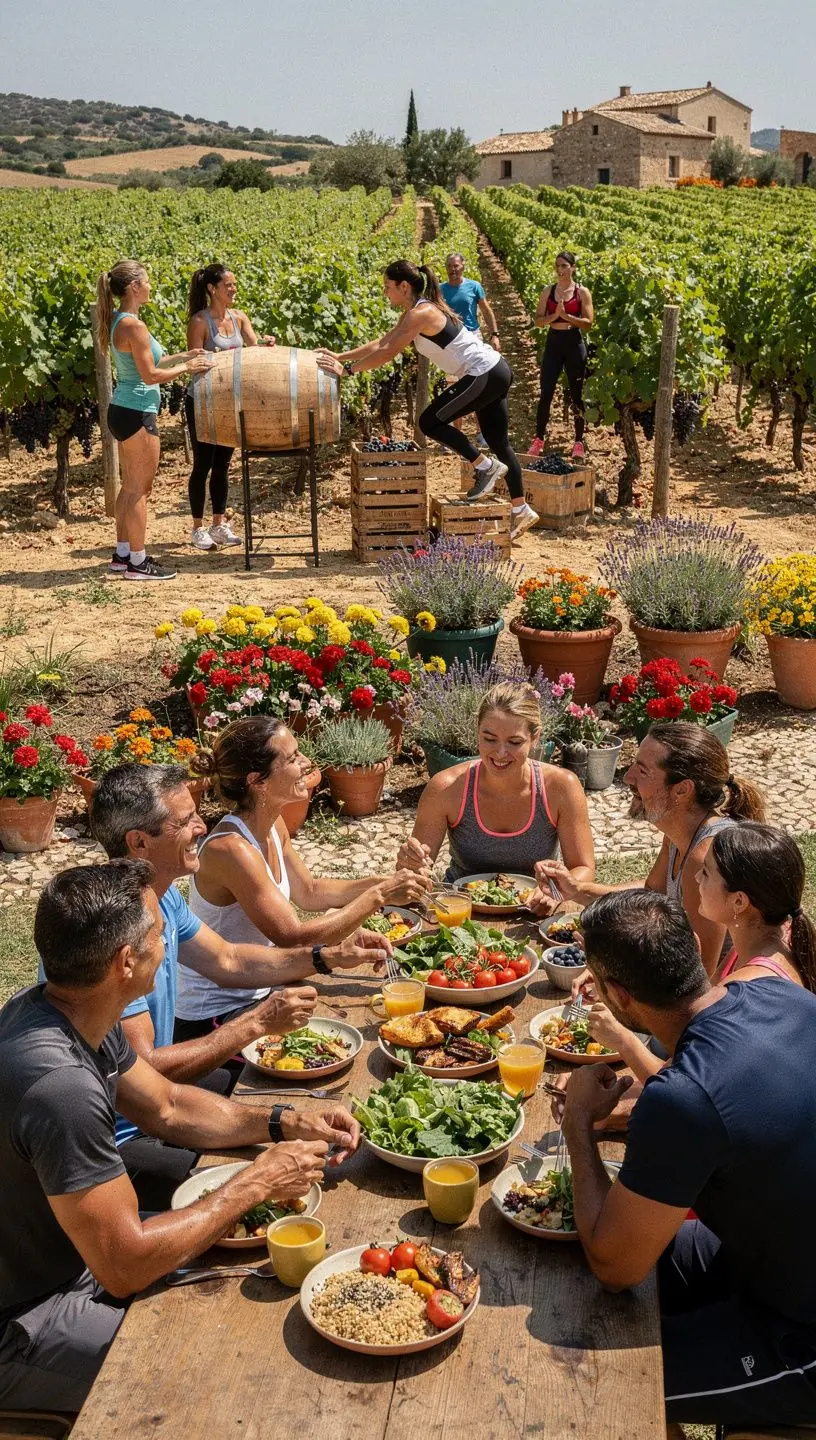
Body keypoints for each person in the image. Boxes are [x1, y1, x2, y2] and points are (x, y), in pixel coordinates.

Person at [0, 860, 358, 1413]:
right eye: (159, 934)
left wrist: (284, 1120)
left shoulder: (68, 1011)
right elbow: (125, 1266)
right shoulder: (61, 1088)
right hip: (26, 1314)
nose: (168, 942)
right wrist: (255, 1183)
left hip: (76, 1257)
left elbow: (167, 1106)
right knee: (206, 1365)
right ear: (126, 962)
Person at [555, 889, 816, 1431]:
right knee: (580, 1254)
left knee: (603, 1383)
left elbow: (615, 1269)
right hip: (774, 1260)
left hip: (801, 1337)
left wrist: (578, 1122)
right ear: (695, 947)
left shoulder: (681, 1098)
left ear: (618, 995)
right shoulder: (780, 992)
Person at [88, 762, 389, 1206]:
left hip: (162, 1104)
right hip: (117, 1139)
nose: (201, 826)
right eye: (185, 820)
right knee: (283, 1184)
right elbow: (147, 1077)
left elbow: (228, 959)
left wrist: (325, 957)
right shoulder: (116, 932)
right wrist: (255, 1024)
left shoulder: (160, 895)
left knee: (283, 1101)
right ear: (139, 843)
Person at [176, 717, 430, 1036]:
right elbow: (294, 937)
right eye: (293, 757)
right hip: (217, 1017)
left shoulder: (271, 823)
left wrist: (387, 883)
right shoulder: (231, 849)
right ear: (258, 781)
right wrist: (379, 896)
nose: (307, 762)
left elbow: (309, 891)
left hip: (265, 988)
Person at [316, 260, 540, 542]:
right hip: (496, 370)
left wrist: (348, 371)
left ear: (404, 286)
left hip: (483, 372)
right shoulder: (416, 312)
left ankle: (484, 466)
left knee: (429, 421)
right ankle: (521, 508)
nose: (385, 292)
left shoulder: (420, 314)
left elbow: (388, 352)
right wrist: (341, 357)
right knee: (499, 442)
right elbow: (382, 342)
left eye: (387, 286)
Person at [586, 821, 816, 1081]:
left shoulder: (740, 987)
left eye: (705, 873)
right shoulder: (770, 940)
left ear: (739, 901)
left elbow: (681, 1084)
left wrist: (622, 1039)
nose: (696, 878)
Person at [536, 721, 766, 977]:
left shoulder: (703, 859)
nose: (627, 777)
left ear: (682, 790)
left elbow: (699, 975)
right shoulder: (678, 836)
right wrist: (577, 890)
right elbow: (651, 898)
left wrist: (611, 965)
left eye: (642, 771)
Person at [396, 681, 594, 907]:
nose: (500, 753)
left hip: (536, 910)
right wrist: (410, 864)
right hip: (462, 908)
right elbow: (414, 875)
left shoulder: (560, 787)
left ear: (535, 738)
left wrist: (554, 892)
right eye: (489, 739)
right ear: (477, 732)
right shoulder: (446, 788)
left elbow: (583, 868)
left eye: (514, 742)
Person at [96, 260, 213, 582]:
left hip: (123, 410)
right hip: (137, 411)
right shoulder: (134, 326)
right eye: (146, 281)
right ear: (135, 286)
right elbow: (150, 376)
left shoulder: (121, 320)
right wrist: (187, 369)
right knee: (139, 490)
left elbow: (153, 362)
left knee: (129, 487)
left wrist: (186, 357)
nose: (150, 286)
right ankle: (138, 562)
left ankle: (123, 555)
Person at [185, 263, 276, 552]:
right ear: (212, 289)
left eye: (234, 284)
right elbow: (194, 364)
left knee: (223, 465)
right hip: (203, 401)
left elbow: (254, 352)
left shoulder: (239, 318)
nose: (234, 289)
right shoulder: (199, 322)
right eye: (228, 285)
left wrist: (266, 345)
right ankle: (197, 529)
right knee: (202, 464)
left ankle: (219, 525)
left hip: (229, 403)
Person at [528, 250, 593, 463]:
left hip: (574, 343)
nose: (560, 270)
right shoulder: (548, 291)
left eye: (564, 266)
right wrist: (554, 316)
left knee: (576, 394)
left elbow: (588, 323)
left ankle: (578, 442)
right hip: (553, 343)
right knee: (546, 392)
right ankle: (539, 439)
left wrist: (566, 316)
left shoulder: (582, 292)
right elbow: (538, 321)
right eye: (557, 266)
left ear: (573, 267)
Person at [440, 253, 499, 450]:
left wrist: (495, 334)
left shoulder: (474, 287)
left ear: (463, 267)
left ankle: (481, 433)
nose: (453, 269)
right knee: (454, 389)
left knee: (477, 386)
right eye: (450, 266)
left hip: (473, 338)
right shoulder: (440, 290)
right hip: (450, 342)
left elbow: (486, 311)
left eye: (456, 265)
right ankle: (455, 436)